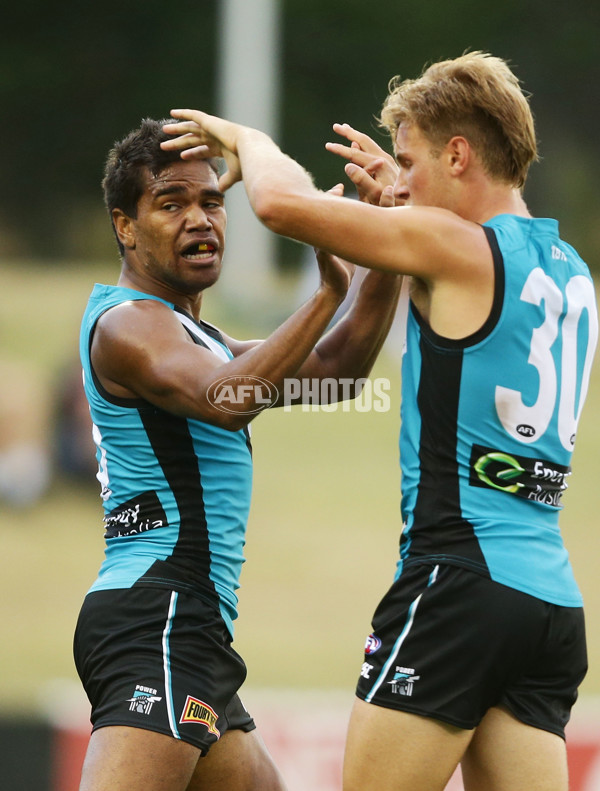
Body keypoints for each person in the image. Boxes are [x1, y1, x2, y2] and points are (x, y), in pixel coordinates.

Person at [161, 52, 598, 791]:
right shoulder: (570, 270)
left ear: (458, 154)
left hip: (458, 582)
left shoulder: (457, 245)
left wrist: (251, 142)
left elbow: (278, 209)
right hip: (547, 605)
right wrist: (398, 208)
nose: (399, 182)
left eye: (409, 161)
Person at [74, 118, 401, 791]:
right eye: (170, 203)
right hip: (157, 616)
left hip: (191, 625)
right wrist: (326, 296)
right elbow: (228, 399)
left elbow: (340, 367)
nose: (199, 219)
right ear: (124, 226)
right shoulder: (129, 324)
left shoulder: (195, 335)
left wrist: (385, 242)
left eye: (211, 201)